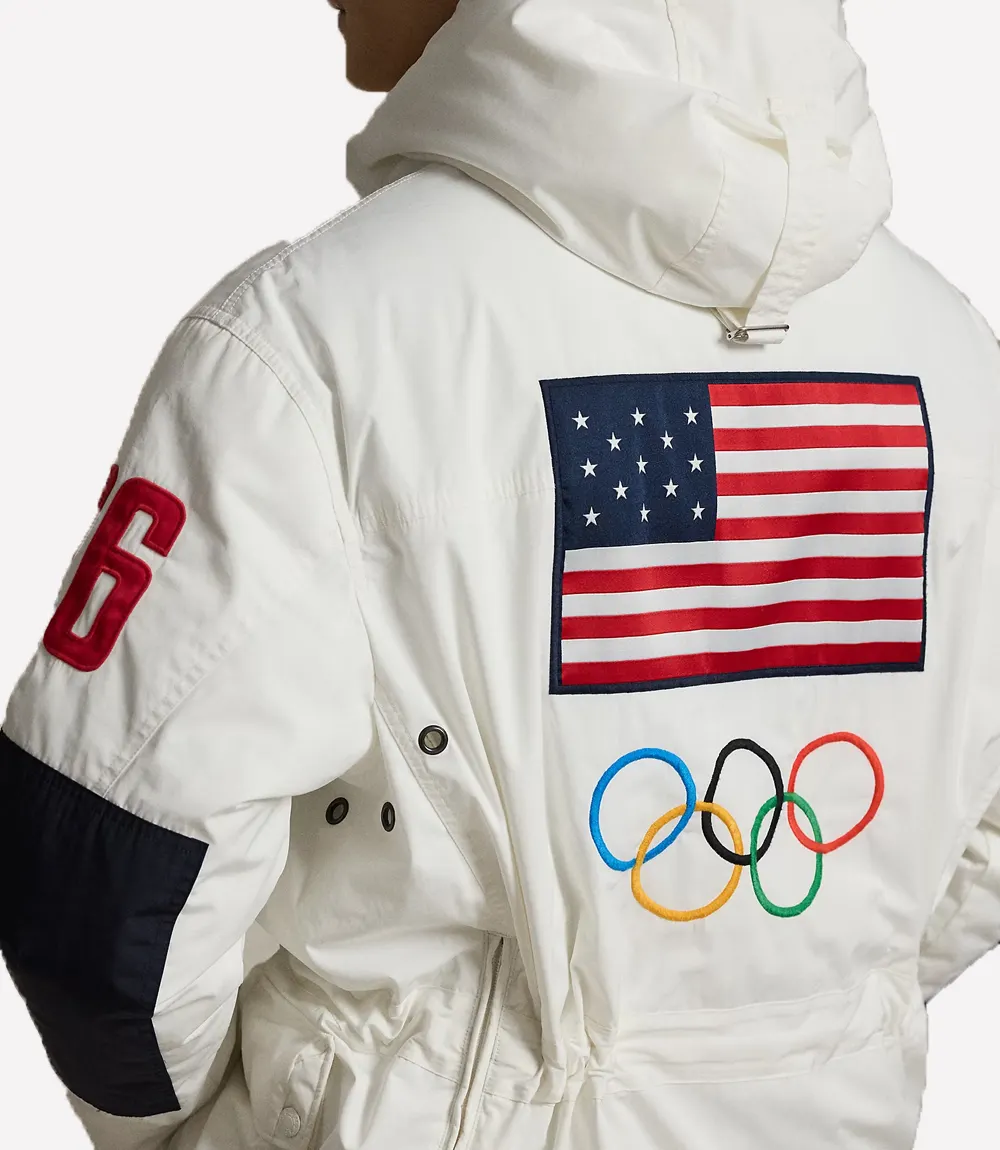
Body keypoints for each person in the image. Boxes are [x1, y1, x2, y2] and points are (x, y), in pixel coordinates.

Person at [1, 1, 998, 1148]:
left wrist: (246, 1124)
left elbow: (103, 896)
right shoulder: (956, 358)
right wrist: (804, 1031)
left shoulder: (310, 344)